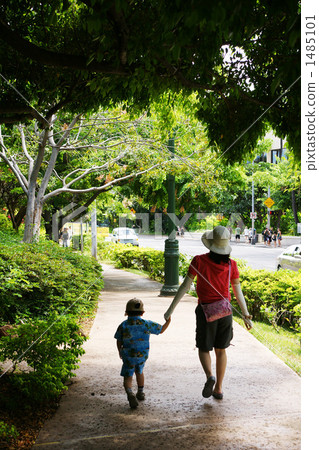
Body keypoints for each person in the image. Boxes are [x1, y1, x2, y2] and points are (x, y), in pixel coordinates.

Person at [164, 226, 252, 400]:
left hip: (205, 312)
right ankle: (218, 388)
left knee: (204, 348)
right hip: (225, 313)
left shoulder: (198, 261)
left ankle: (209, 376)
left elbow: (185, 286)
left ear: (211, 244)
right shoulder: (231, 265)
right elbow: (237, 292)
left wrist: (170, 309)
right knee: (221, 350)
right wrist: (246, 314)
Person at [115, 298, 171, 409]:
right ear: (142, 312)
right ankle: (140, 392)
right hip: (142, 354)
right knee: (139, 371)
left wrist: (120, 351)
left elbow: (118, 340)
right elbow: (161, 330)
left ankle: (130, 393)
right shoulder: (147, 324)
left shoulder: (123, 325)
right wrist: (168, 321)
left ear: (126, 312)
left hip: (128, 355)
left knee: (128, 376)